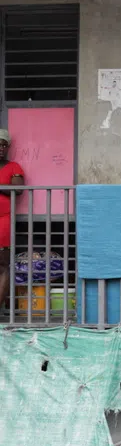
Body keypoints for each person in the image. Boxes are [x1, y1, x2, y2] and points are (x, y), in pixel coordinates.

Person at [0, 129, 24, 315]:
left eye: (4, 144)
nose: (1, 148)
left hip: (3, 221)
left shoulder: (13, 166)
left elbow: (18, 189)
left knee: (3, 265)